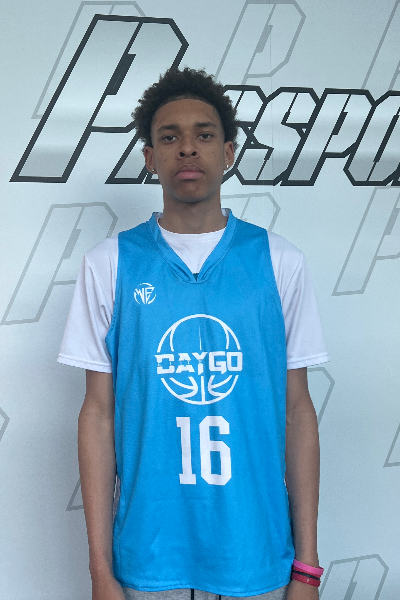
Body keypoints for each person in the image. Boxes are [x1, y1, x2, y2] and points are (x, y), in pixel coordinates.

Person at [58, 67, 329, 600]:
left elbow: (297, 411)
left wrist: (307, 568)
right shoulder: (108, 264)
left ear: (228, 153)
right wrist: (99, 571)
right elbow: (97, 415)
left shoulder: (280, 261)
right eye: (169, 137)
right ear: (149, 157)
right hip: (147, 561)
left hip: (258, 560)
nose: (187, 148)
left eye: (204, 135)